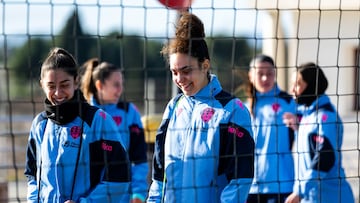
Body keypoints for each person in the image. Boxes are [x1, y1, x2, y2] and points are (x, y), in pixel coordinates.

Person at [146, 12, 255, 203]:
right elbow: (159, 172)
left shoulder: (232, 110)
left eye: (186, 71)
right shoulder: (174, 106)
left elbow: (240, 179)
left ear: (205, 65)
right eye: (174, 72)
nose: (179, 79)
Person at [24, 47, 131, 203]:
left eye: (64, 85)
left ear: (76, 82)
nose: (58, 93)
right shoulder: (39, 125)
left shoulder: (98, 120)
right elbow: (32, 176)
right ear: (42, 85)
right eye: (51, 86)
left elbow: (120, 178)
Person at [283, 62, 354, 203]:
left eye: (297, 84)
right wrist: (298, 129)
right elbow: (310, 150)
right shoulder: (308, 115)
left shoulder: (324, 116)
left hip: (330, 197)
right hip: (312, 197)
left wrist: (299, 191)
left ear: (312, 85)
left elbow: (325, 157)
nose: (292, 89)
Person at [80, 58, 149, 203]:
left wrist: (138, 192)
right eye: (116, 85)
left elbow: (139, 157)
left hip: (122, 196)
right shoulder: (83, 114)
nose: (120, 89)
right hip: (89, 197)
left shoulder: (129, 112)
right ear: (99, 85)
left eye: (122, 84)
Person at [245, 54, 296, 203]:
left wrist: (299, 125)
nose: (265, 78)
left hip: (282, 182)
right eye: (260, 74)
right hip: (251, 185)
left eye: (269, 74)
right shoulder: (243, 107)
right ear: (250, 76)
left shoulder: (288, 102)